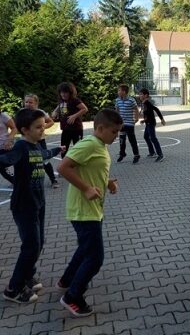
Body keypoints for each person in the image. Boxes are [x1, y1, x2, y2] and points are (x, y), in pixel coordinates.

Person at [57, 109, 123, 317]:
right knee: (95, 258)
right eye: (114, 131)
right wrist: (86, 188)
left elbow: (91, 169)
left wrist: (107, 182)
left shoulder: (100, 145)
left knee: (85, 249)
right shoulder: (90, 144)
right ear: (100, 128)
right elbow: (63, 167)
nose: (116, 136)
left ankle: (67, 280)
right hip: (84, 211)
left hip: (92, 210)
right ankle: (72, 297)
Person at [0, 108, 63, 303]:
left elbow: (44, 154)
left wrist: (58, 150)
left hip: (38, 203)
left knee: (38, 243)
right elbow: (5, 160)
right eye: (38, 127)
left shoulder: (35, 146)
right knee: (31, 246)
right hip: (24, 205)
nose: (43, 129)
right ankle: (13, 288)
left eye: (43, 126)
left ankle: (27, 275)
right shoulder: (21, 147)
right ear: (25, 130)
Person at [24, 94, 59, 187]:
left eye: (30, 102)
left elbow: (51, 122)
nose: (28, 104)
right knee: (28, 161)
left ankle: (53, 180)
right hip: (27, 141)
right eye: (26, 102)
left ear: (36, 103)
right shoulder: (22, 113)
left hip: (40, 140)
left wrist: (41, 128)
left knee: (44, 160)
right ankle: (27, 182)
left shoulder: (40, 112)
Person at [52, 82, 88, 156]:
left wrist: (74, 116)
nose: (63, 94)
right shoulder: (62, 101)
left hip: (76, 129)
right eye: (61, 92)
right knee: (63, 149)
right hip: (65, 129)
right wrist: (55, 112)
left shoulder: (75, 100)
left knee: (78, 149)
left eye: (65, 92)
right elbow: (58, 108)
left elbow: (85, 109)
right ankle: (64, 161)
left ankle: (78, 162)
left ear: (70, 92)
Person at [138, 88, 166, 163]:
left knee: (153, 138)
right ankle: (152, 152)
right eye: (139, 94)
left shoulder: (148, 103)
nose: (139, 95)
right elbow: (147, 114)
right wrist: (144, 120)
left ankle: (160, 155)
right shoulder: (144, 103)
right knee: (146, 137)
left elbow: (156, 110)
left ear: (146, 95)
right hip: (148, 123)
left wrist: (162, 119)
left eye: (141, 94)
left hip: (150, 123)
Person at [115, 84, 140, 164]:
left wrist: (136, 118)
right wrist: (117, 121)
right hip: (122, 124)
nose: (118, 92)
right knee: (122, 140)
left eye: (119, 90)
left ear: (124, 92)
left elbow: (136, 109)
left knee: (132, 140)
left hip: (129, 123)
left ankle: (136, 155)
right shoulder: (117, 100)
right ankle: (122, 153)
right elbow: (117, 110)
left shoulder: (131, 100)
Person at [0, 106, 17, 184]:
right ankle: (16, 182)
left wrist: (9, 140)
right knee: (2, 169)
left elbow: (14, 128)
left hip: (4, 146)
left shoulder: (3, 116)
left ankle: (17, 182)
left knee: (7, 166)